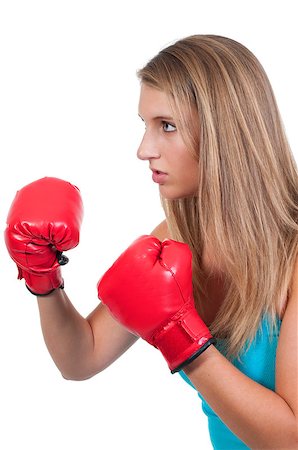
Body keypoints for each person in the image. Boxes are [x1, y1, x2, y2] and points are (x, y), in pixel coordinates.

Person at [5, 35, 298, 449]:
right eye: (145, 125)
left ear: (224, 132)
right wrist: (42, 276)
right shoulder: (177, 238)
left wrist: (183, 341)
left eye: (167, 126)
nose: (144, 149)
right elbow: (80, 358)